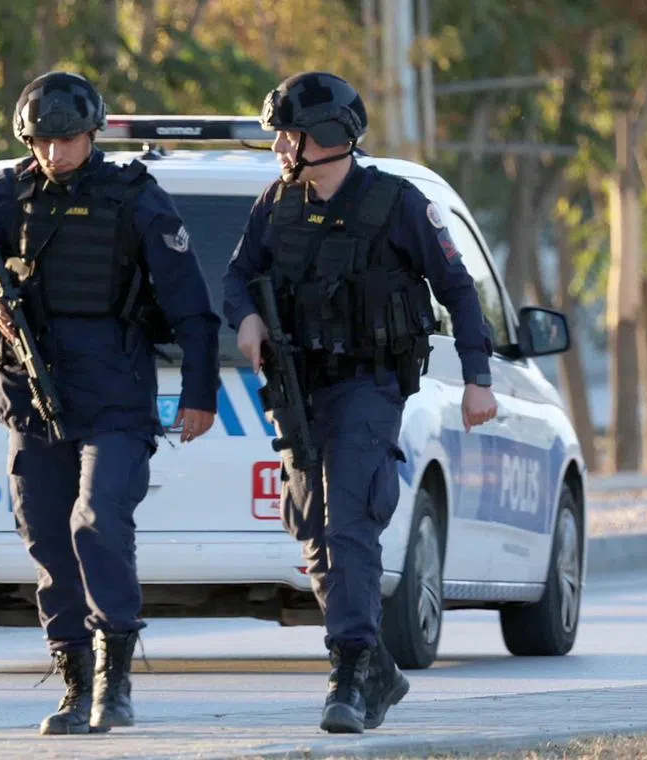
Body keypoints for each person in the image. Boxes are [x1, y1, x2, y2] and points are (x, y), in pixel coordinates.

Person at [222, 72, 499, 734]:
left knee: (349, 521)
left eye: (288, 135)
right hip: (300, 385)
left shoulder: (397, 204)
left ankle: (347, 669)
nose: (281, 148)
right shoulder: (275, 203)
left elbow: (459, 289)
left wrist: (479, 378)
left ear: (327, 137)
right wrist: (247, 321)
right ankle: (375, 663)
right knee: (314, 530)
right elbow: (236, 276)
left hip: (369, 387)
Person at [0, 71, 221, 735]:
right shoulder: (3, 194)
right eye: (42, 141)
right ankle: (75, 682)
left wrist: (199, 394)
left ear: (91, 133)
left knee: (96, 520)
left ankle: (115, 679)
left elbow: (192, 305)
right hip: (32, 396)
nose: (54, 153)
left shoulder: (135, 198)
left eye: (67, 139)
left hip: (115, 393)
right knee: (46, 534)